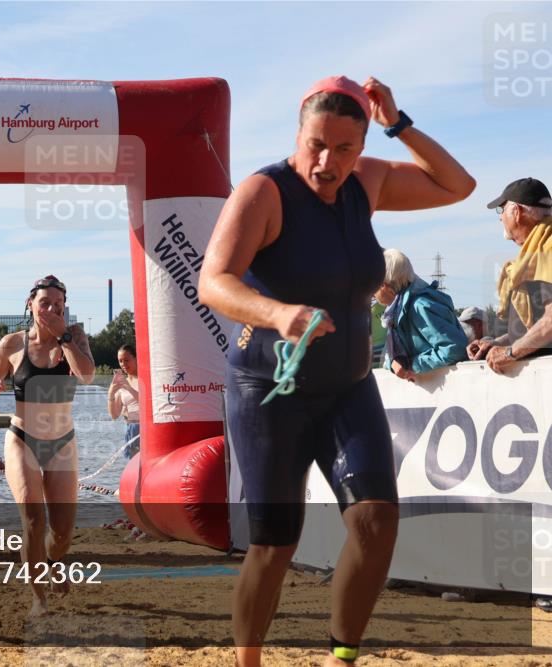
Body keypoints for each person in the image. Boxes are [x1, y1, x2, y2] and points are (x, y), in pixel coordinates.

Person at [198, 75, 475, 667]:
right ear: (298, 134)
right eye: (316, 144)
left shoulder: (366, 182)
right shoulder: (264, 192)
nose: (326, 162)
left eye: (344, 149)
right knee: (275, 545)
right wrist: (278, 313)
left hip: (348, 387)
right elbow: (213, 281)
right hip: (270, 390)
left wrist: (400, 124)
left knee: (377, 525)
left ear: (362, 146)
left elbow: (459, 186)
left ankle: (341, 656)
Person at [0, 275, 95, 617]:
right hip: (22, 439)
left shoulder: (74, 337)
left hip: (62, 442)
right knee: (33, 518)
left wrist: (63, 337)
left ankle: (54, 559)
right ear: (30, 305)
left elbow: (86, 375)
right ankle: (38, 599)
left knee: (61, 532)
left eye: (58, 305)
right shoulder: (12, 343)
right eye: (44, 303)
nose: (51, 309)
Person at [468, 177, 552, 373]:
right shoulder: (534, 253)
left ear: (517, 211)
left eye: (502, 209)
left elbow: (549, 323)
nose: (500, 217)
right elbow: (530, 328)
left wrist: (510, 353)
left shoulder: (547, 249)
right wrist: (494, 343)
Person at [375, 248, 468, 380]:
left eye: (373, 285)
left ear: (384, 286)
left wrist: (412, 364)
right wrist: (394, 364)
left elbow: (454, 349)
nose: (371, 291)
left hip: (445, 392)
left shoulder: (420, 306)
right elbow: (391, 359)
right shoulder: (395, 312)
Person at [107, 343, 140, 458]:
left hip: (144, 429)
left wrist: (129, 388)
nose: (123, 364)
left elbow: (147, 403)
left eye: (126, 360)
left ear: (136, 358)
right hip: (130, 429)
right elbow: (114, 415)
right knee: (134, 469)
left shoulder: (145, 378)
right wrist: (111, 393)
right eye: (120, 361)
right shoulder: (122, 383)